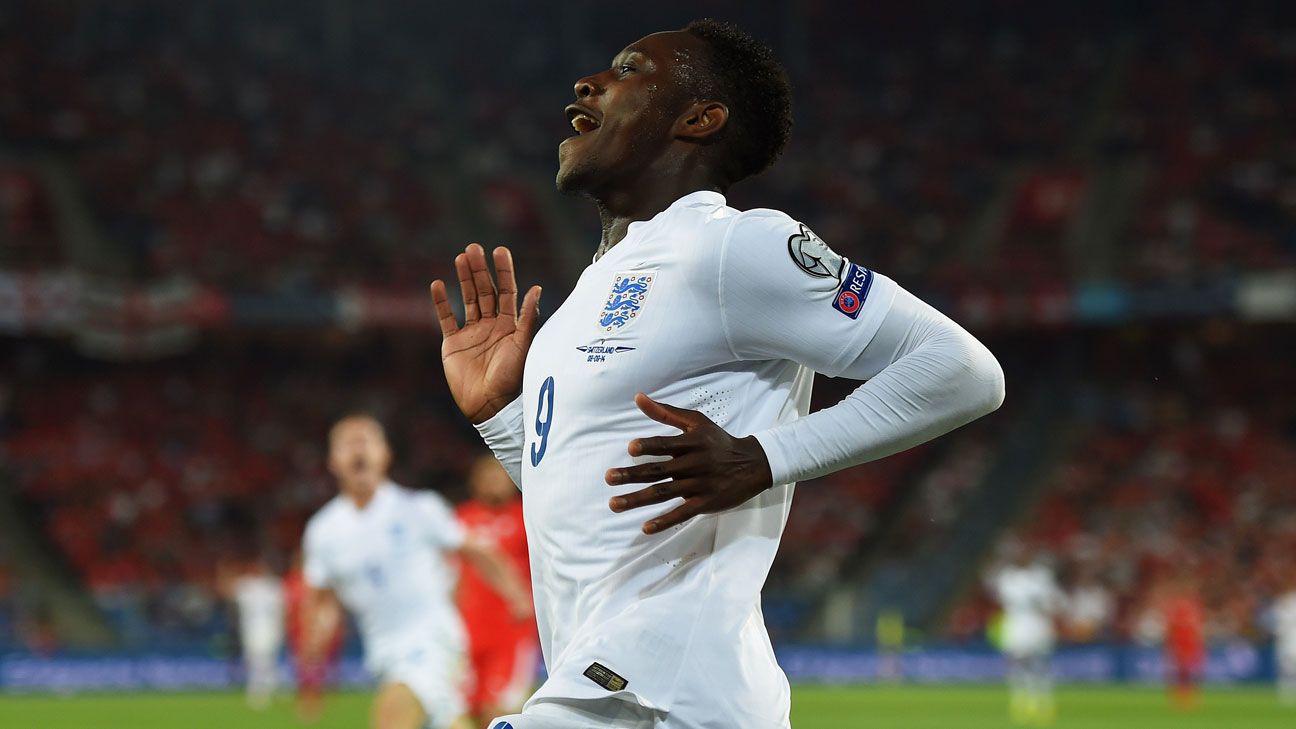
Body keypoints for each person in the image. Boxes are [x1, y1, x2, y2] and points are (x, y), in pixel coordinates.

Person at [430, 19, 1004, 728]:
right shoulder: (590, 290)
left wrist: (766, 457)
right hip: (631, 687)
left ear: (699, 119)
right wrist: (499, 416)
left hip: (657, 689)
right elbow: (594, 501)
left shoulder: (734, 245)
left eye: (629, 70)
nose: (589, 83)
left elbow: (964, 370)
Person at [302, 414, 532, 729]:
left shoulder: (419, 508)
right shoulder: (323, 531)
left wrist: (516, 594)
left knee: (392, 718)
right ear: (332, 461)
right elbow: (322, 600)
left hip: (432, 639)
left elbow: (477, 550)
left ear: (386, 454)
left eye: (366, 440)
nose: (358, 447)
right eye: (347, 443)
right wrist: (314, 655)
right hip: (383, 652)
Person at [457, 455, 539, 724]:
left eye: (498, 477)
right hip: (467, 631)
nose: (493, 484)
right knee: (468, 713)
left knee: (500, 711)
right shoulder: (462, 518)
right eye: (487, 478)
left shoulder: (526, 517)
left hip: (511, 631)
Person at [990, 551, 1063, 726]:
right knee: (1017, 665)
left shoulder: (1041, 576)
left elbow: (1053, 601)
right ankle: (1020, 701)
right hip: (1016, 627)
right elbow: (1002, 597)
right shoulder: (1007, 577)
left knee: (1039, 665)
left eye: (1026, 554)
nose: (1023, 557)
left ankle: (1044, 702)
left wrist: (1043, 604)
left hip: (1037, 627)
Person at [284, 551, 342, 723]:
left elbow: (323, 604)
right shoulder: (294, 580)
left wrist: (318, 628)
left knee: (314, 666)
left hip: (311, 629)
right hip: (299, 629)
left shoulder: (316, 581)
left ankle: (313, 701)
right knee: (304, 667)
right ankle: (307, 700)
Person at [227, 560, 287, 710]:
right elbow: (228, 591)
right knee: (257, 661)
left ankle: (260, 691)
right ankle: (270, 687)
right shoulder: (251, 586)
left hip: (268, 629)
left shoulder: (271, 586)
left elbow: (284, 608)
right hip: (253, 630)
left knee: (263, 661)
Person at [1270, 582, 1296, 706]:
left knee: (1288, 668)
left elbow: (1279, 626)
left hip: (1289, 642)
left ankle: (1286, 694)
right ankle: (1286, 693)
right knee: (1286, 668)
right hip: (1286, 642)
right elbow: (1278, 625)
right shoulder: (1283, 603)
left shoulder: (1286, 603)